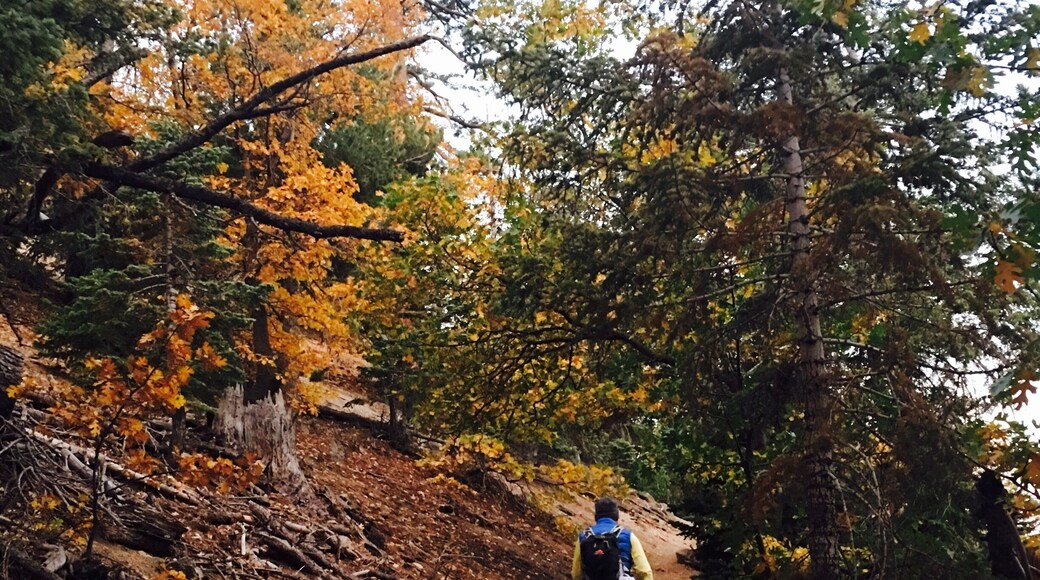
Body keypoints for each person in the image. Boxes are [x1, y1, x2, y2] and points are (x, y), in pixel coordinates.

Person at [571, 496, 654, 580]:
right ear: (616, 515)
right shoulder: (628, 536)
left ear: (596, 516)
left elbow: (576, 574)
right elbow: (645, 571)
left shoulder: (584, 536)